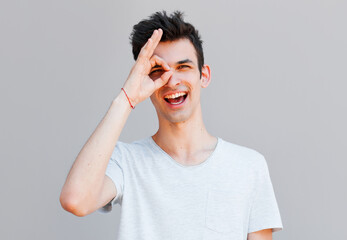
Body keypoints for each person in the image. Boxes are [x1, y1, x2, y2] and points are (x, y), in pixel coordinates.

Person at [60, 11, 283, 240]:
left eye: (183, 67)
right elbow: (75, 200)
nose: (172, 81)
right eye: (158, 71)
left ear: (203, 76)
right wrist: (127, 98)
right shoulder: (126, 161)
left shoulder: (248, 167)